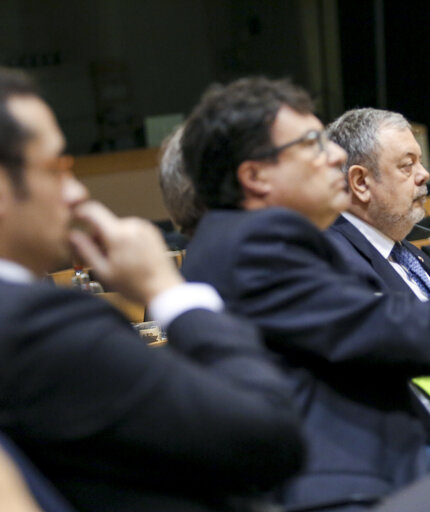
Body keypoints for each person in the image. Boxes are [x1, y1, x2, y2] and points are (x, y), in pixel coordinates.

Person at [178, 77, 430, 511]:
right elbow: (401, 327)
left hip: (380, 459)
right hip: (340, 494)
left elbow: (341, 378)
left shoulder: (249, 242)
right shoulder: (252, 248)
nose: (334, 155)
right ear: (256, 176)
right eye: (313, 143)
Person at [0, 68, 306, 511]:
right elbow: (270, 435)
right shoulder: (37, 327)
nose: (75, 191)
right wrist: (165, 288)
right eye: (57, 168)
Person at [325, 107, 430, 305]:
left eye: (420, 162)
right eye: (408, 164)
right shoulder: (335, 264)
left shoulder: (408, 253)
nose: (424, 174)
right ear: (361, 182)